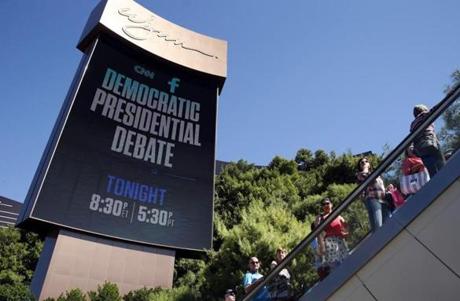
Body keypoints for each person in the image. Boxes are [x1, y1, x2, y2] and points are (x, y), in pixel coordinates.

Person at [410, 104, 445, 177]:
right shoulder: (423, 115)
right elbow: (434, 110)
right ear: (423, 110)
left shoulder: (413, 124)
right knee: (442, 166)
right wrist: (448, 97)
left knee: (432, 171)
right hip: (429, 143)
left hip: (420, 150)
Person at [356, 157, 391, 232]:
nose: (364, 162)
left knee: (388, 224)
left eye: (366, 161)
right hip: (373, 199)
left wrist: (387, 189)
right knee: (378, 225)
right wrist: (365, 168)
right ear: (360, 166)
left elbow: (379, 187)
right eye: (362, 162)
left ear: (369, 164)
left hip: (383, 200)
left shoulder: (376, 174)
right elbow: (370, 181)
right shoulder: (360, 174)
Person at [314, 198, 349, 271]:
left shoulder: (337, 214)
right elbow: (318, 232)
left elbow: (345, 225)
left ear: (331, 204)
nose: (326, 205)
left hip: (340, 240)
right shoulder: (320, 217)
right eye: (324, 204)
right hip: (330, 241)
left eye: (327, 203)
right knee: (334, 262)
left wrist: (345, 231)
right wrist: (322, 246)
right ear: (322, 207)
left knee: (346, 259)